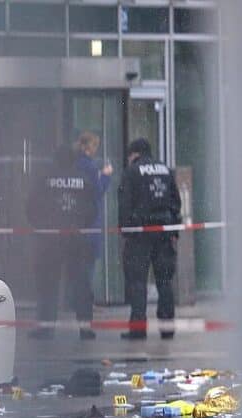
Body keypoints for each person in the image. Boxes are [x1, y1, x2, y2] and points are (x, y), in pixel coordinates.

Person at [26, 145, 98, 340]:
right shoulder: (84, 180)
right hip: (76, 238)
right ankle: (85, 326)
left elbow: (31, 207)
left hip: (50, 239)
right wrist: (80, 224)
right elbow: (92, 208)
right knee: (81, 283)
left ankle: (46, 327)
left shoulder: (45, 178)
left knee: (48, 283)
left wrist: (43, 226)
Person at [118, 138, 182, 340]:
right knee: (164, 281)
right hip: (164, 232)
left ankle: (138, 329)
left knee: (137, 283)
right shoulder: (165, 170)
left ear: (134, 154)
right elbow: (176, 202)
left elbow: (125, 204)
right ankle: (167, 327)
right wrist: (172, 227)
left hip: (140, 234)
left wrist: (126, 230)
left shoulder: (132, 172)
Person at [74, 131, 114, 296]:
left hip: (78, 221)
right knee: (87, 266)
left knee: (80, 265)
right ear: (86, 147)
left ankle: (79, 299)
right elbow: (96, 192)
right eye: (94, 145)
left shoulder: (76, 164)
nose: (95, 149)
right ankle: (85, 301)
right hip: (90, 222)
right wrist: (105, 176)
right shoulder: (89, 167)